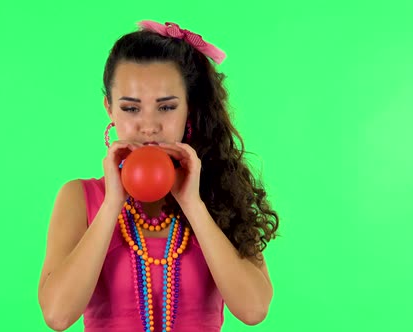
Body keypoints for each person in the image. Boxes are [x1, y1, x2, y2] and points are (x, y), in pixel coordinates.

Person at [38, 20, 280, 332]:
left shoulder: (220, 191)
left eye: (166, 108)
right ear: (109, 109)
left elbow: (254, 310)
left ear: (188, 109)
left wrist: (193, 204)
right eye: (131, 108)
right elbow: (57, 316)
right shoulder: (78, 197)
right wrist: (112, 202)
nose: (149, 126)